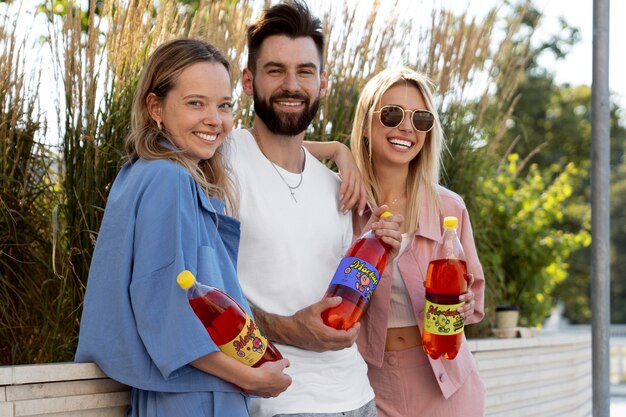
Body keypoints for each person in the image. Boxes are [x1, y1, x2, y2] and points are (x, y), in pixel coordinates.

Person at [74, 38, 291, 417]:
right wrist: (252, 379)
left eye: (224, 105)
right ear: (155, 107)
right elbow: (168, 311)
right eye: (196, 103)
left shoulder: (143, 175)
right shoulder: (168, 180)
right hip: (194, 400)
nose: (215, 119)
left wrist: (338, 151)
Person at [224, 2, 402, 416]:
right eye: (275, 70)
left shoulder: (338, 188)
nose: (292, 84)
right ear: (249, 82)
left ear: (322, 83)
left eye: (305, 71)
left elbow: (343, 294)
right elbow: (203, 292)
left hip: (358, 397)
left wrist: (378, 247)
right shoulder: (221, 163)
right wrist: (288, 329)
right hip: (279, 403)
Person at [314, 66, 486, 416]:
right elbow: (265, 153)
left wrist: (466, 304)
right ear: (366, 124)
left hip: (445, 383)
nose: (406, 127)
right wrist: (337, 150)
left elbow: (474, 298)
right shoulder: (338, 199)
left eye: (420, 118)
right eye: (392, 114)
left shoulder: (448, 207)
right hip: (365, 383)